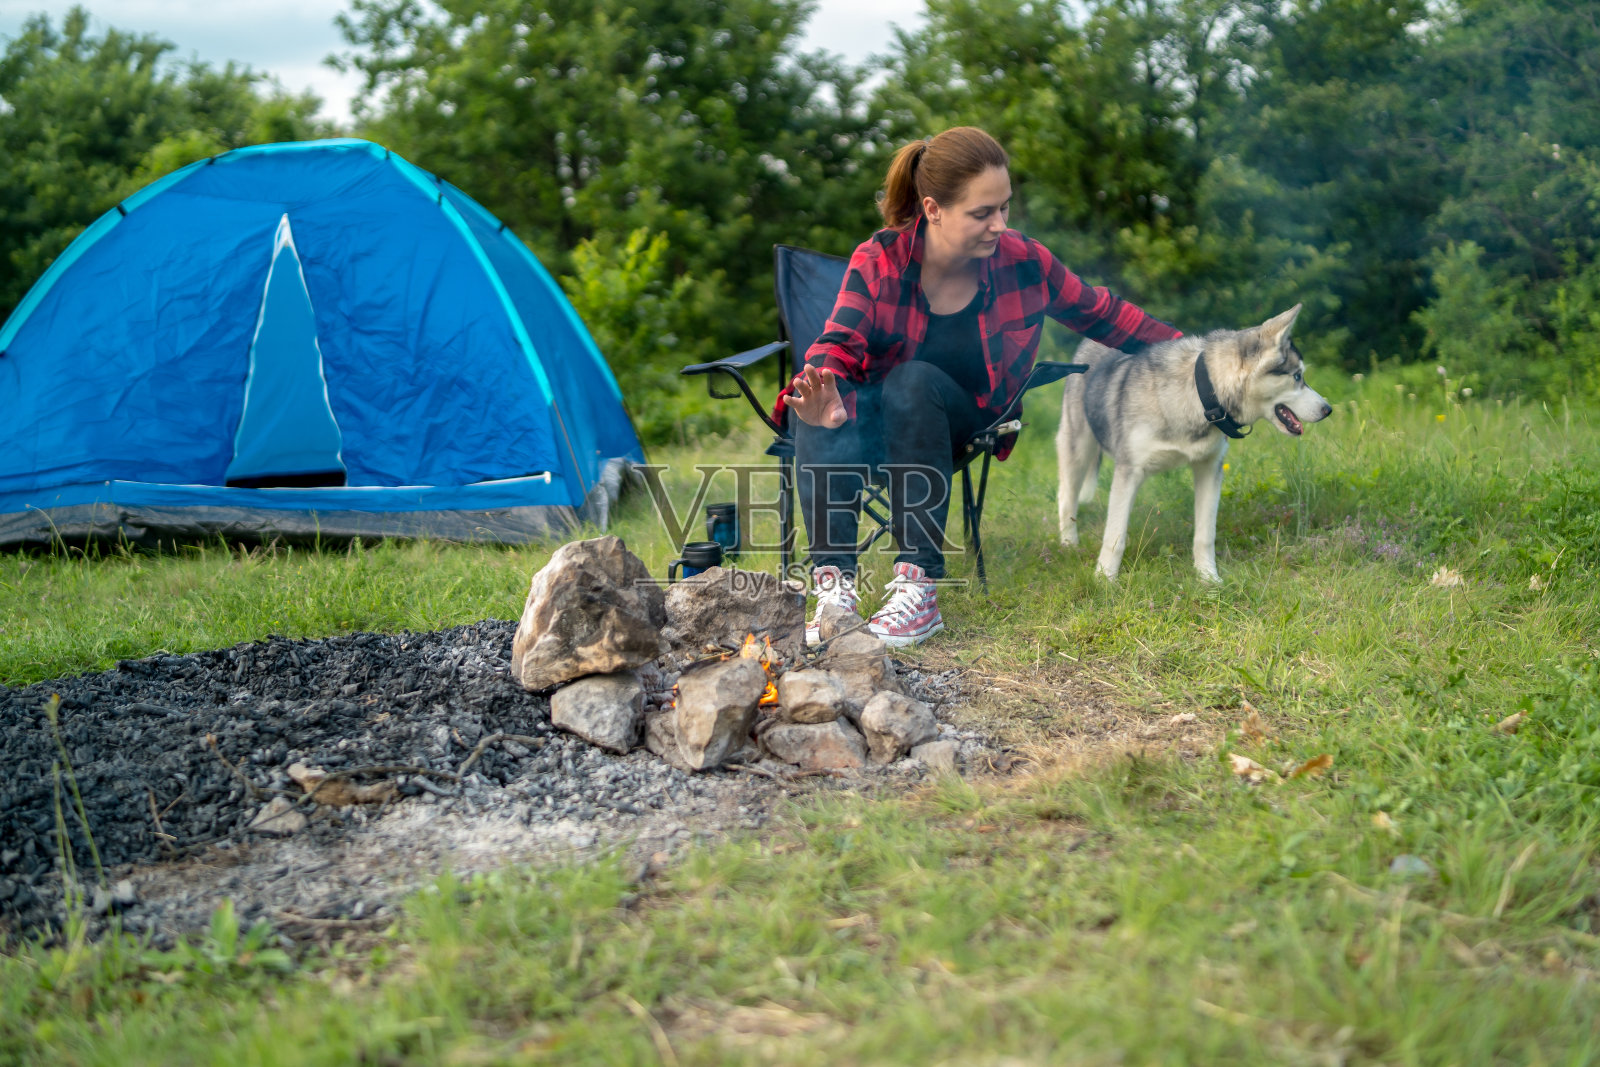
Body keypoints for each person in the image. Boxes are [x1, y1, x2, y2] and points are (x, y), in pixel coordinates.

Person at [779, 126, 1182, 647]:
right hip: (880, 432)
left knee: (911, 379)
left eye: (1005, 208)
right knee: (816, 405)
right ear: (933, 209)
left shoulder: (1023, 261)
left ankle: (919, 590)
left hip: (964, 423)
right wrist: (823, 383)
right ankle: (834, 595)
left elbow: (1100, 313)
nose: (999, 225)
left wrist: (1188, 352)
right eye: (982, 213)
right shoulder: (879, 259)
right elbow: (839, 338)